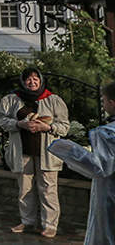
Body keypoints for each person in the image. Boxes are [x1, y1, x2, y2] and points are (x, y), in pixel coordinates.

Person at [0, 66, 70, 238]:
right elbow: (1, 119)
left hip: (48, 154)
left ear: (41, 80)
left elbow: (65, 126)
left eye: (35, 78)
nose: (32, 82)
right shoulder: (11, 100)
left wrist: (48, 127)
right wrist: (19, 124)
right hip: (23, 151)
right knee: (25, 188)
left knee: (48, 189)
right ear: (23, 81)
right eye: (28, 79)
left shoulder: (53, 100)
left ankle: (50, 225)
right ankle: (27, 221)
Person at [49, 80, 115, 245]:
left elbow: (100, 167)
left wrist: (67, 149)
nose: (103, 104)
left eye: (104, 100)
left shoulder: (107, 133)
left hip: (110, 195)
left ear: (112, 103)